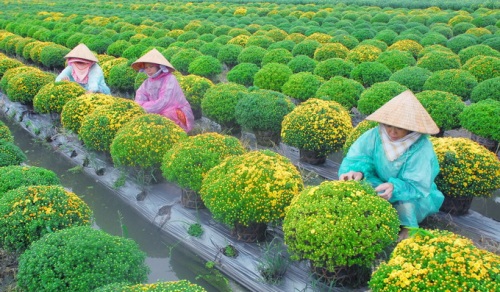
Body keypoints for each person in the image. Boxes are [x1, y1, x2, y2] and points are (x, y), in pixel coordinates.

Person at [338, 90, 444, 241]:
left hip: (412, 194)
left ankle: (407, 228)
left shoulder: (421, 147)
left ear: (410, 128)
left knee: (406, 206)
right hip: (379, 183)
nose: (392, 132)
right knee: (356, 189)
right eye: (388, 125)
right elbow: (359, 157)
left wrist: (395, 188)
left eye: (399, 128)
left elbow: (417, 185)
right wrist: (357, 172)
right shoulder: (375, 135)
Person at [131, 48, 194, 132]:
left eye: (151, 67)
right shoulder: (147, 83)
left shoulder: (170, 79)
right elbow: (139, 99)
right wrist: (142, 108)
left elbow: (164, 102)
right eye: (146, 67)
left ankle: (176, 134)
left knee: (168, 114)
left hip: (173, 111)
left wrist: (145, 107)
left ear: (159, 67)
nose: (148, 70)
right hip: (154, 110)